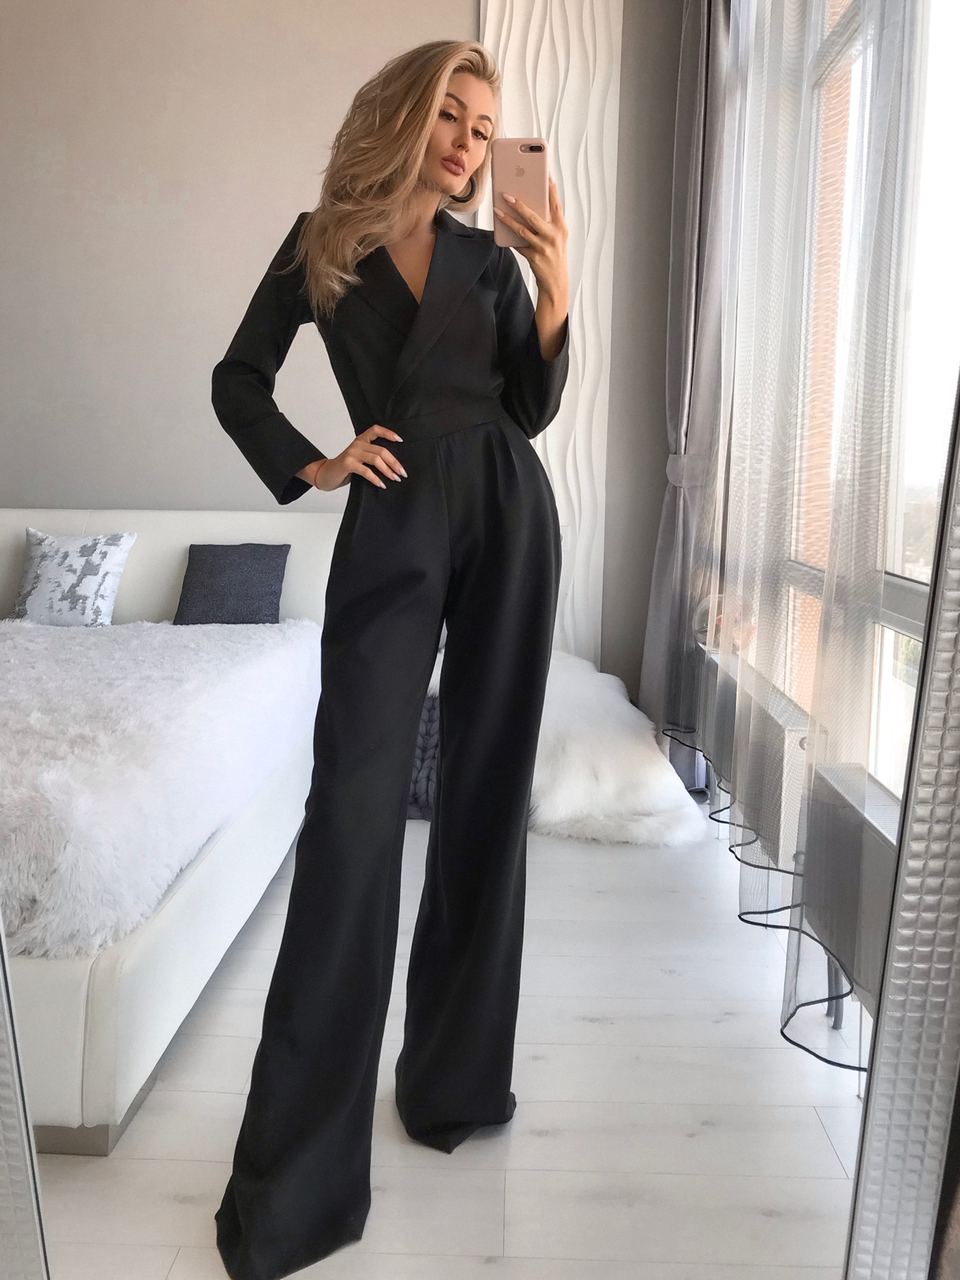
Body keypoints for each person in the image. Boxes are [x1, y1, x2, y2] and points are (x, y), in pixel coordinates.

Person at [210, 37, 571, 1280]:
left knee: (483, 795)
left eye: (484, 125)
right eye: (451, 116)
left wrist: (556, 284)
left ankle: (451, 1082)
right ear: (409, 115)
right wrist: (315, 462)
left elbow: (529, 407)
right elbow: (237, 379)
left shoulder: (490, 259)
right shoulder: (322, 243)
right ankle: (298, 1183)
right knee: (353, 819)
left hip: (508, 512)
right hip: (395, 517)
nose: (468, 143)